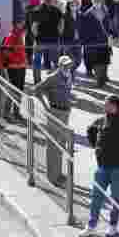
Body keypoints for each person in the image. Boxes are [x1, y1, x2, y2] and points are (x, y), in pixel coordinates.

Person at [81, 95, 119, 237]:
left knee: (115, 198)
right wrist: (96, 146)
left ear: (115, 106)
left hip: (118, 167)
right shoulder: (102, 120)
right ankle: (91, 225)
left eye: (107, 104)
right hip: (102, 166)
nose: (104, 107)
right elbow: (91, 129)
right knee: (96, 196)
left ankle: (113, 226)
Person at [30, 54, 77, 188]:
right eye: (65, 65)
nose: (68, 67)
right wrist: (46, 107)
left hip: (65, 112)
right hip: (55, 111)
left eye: (69, 65)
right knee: (53, 144)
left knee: (60, 144)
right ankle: (52, 177)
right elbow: (36, 90)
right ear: (59, 65)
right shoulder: (53, 77)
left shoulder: (69, 76)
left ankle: (58, 173)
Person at [79, 0, 114, 86]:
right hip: (93, 41)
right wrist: (85, 40)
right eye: (96, 1)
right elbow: (85, 28)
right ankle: (99, 80)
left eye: (99, 1)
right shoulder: (88, 13)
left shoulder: (105, 11)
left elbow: (109, 25)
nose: (97, 3)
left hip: (104, 40)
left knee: (105, 59)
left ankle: (104, 76)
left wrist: (111, 35)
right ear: (92, 2)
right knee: (97, 61)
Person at [2, 15, 28, 122]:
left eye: (22, 22)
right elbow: (6, 52)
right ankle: (6, 113)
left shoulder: (21, 34)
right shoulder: (11, 36)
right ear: (16, 24)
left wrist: (24, 60)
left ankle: (17, 112)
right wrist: (16, 59)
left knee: (19, 91)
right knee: (12, 90)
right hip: (14, 67)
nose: (22, 24)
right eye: (20, 22)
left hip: (21, 66)